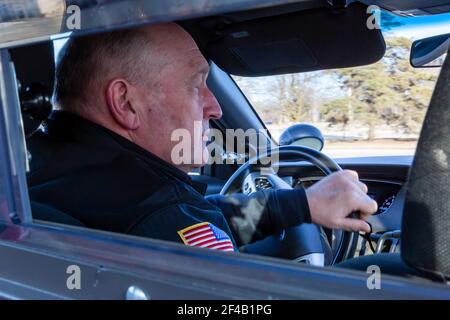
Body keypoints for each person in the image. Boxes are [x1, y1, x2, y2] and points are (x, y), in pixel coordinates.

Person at [27, 23, 377, 252]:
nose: (215, 108)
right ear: (125, 102)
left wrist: (302, 204)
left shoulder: (29, 167)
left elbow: (204, 214)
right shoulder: (159, 220)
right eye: (196, 85)